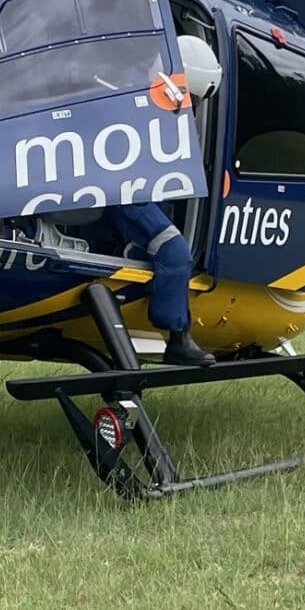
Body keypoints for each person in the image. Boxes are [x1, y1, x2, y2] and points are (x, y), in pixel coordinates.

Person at [106, 31, 223, 368]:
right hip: (128, 196)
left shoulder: (148, 99)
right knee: (174, 251)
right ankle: (177, 338)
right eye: (194, 98)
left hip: (132, 193)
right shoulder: (145, 106)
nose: (195, 107)